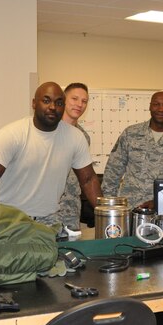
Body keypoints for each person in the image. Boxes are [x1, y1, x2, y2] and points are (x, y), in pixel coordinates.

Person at [0, 82, 102, 228]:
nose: (52, 107)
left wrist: (106, 213)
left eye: (59, 103)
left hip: (49, 220)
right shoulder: (12, 134)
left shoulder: (76, 137)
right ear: (34, 103)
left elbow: (88, 180)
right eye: (46, 100)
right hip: (11, 217)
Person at [101, 91, 163, 208]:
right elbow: (113, 171)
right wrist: (110, 206)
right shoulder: (130, 134)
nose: (161, 109)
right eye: (156, 104)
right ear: (150, 106)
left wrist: (158, 202)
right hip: (129, 208)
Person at [57, 82, 92, 230]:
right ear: (64, 99)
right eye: (74, 99)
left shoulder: (83, 137)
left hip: (71, 210)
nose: (79, 104)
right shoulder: (50, 129)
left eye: (84, 101)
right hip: (48, 209)